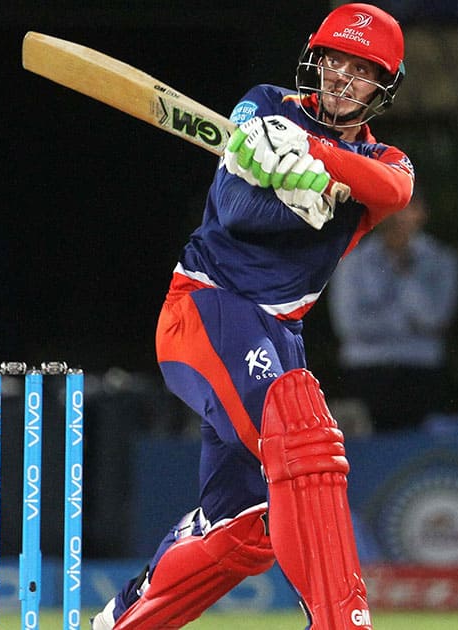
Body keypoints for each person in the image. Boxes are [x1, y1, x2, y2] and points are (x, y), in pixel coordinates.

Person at [91, 5, 413, 628]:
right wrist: (264, 161)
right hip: (207, 308)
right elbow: (237, 210)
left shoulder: (389, 161)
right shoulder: (265, 107)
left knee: (242, 529)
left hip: (278, 334)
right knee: (302, 431)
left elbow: (390, 190)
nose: (343, 78)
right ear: (315, 61)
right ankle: (341, 621)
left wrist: (315, 160)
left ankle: (124, 617)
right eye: (334, 61)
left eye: (362, 70)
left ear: (382, 88)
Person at [327, 190, 458, 433]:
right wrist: (408, 326)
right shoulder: (352, 261)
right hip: (365, 373)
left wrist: (405, 270)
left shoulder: (442, 260)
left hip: (421, 372)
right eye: (392, 207)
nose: (399, 217)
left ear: (422, 213)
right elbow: (348, 326)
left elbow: (437, 319)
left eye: (408, 208)